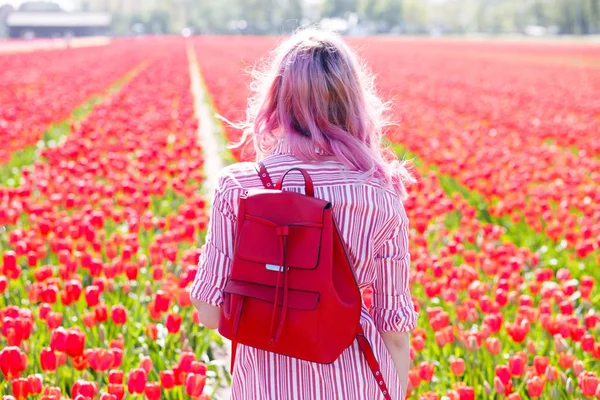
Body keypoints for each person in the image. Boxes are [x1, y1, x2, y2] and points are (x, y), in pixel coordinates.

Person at [190, 28, 418, 400]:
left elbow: (209, 311)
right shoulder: (381, 194)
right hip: (357, 384)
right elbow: (394, 327)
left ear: (278, 97)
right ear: (353, 101)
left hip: (265, 388)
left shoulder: (240, 189)